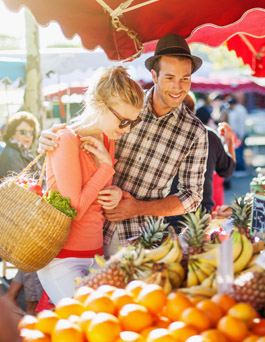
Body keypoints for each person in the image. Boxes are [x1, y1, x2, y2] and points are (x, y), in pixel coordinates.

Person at [38, 33, 208, 259]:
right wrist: (51, 135)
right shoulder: (126, 104)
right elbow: (83, 130)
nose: (178, 87)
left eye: (185, 79)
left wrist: (138, 207)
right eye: (169, 77)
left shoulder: (195, 132)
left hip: (143, 237)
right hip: (92, 228)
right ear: (154, 76)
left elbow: (192, 197)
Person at [36, 66, 145, 304]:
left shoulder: (107, 137)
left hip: (95, 254)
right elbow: (74, 210)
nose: (126, 129)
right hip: (62, 259)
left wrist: (116, 193)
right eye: (123, 121)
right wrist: (106, 167)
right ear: (98, 104)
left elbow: (95, 193)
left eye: (131, 124)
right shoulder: (65, 140)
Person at [0, 111, 44, 315]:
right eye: (22, 131)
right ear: (12, 133)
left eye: (31, 132)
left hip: (23, 215)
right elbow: (22, 189)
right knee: (35, 257)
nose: (28, 135)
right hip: (17, 218)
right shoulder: (11, 154)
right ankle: (32, 309)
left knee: (31, 258)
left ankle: (11, 295)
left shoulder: (21, 151)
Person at [168, 93, 235, 217]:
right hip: (200, 215)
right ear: (194, 110)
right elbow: (227, 171)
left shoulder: (162, 135)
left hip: (164, 214)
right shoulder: (209, 135)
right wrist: (229, 141)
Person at [227, 97, 248, 172]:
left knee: (239, 152)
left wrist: (241, 136)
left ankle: (241, 168)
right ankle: (240, 168)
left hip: (239, 134)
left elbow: (241, 124)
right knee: (237, 151)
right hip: (236, 133)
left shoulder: (240, 110)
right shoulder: (235, 110)